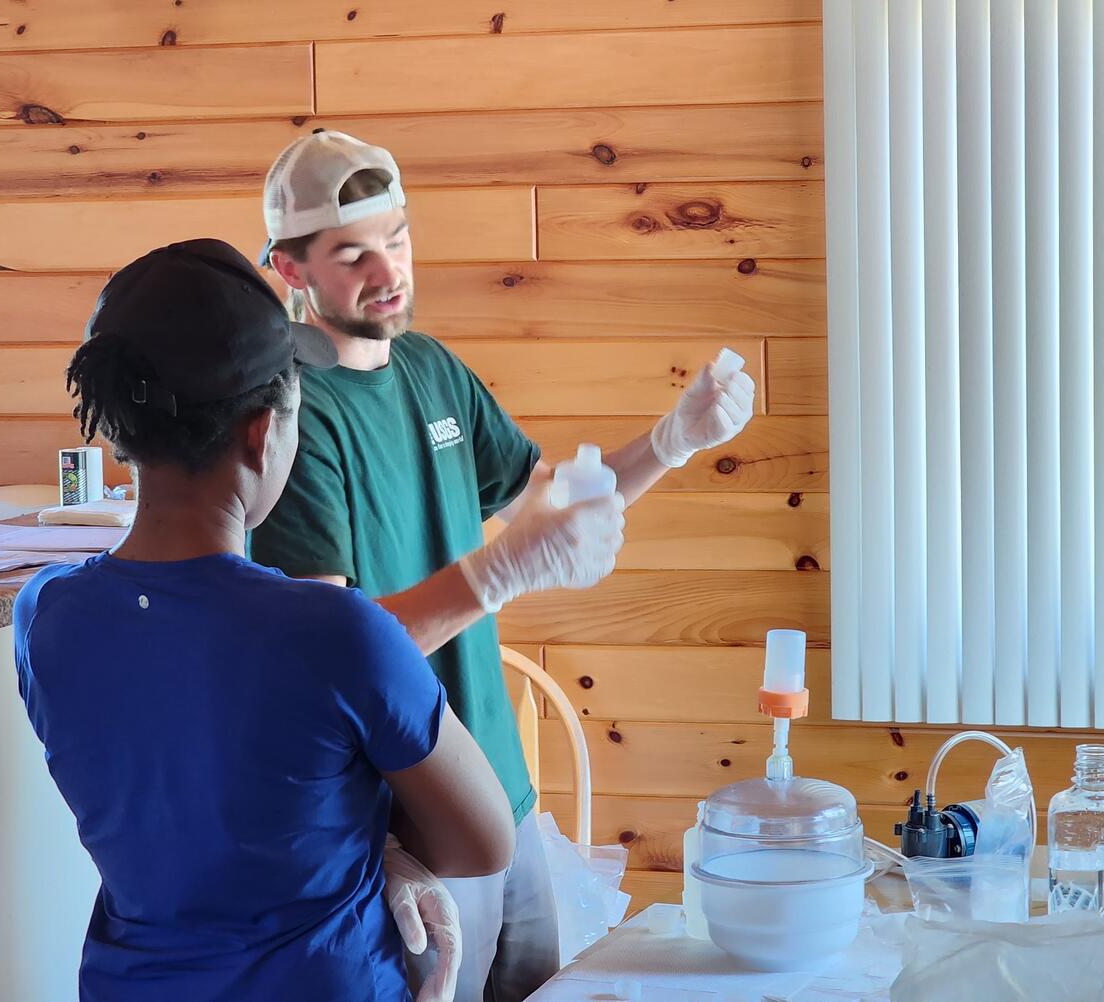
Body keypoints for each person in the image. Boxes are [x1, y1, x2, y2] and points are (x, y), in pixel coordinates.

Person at [252, 131, 757, 1001]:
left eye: (398, 236)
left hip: (500, 792)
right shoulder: (296, 419)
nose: (389, 270)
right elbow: (329, 661)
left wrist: (673, 442)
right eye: (352, 254)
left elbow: (552, 506)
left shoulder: (431, 369)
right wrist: (497, 575)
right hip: (404, 829)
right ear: (291, 272)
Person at [14, 239, 515, 1002]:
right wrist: (377, 842)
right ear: (262, 431)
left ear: (121, 432)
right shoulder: (336, 633)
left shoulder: (46, 615)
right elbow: (483, 840)